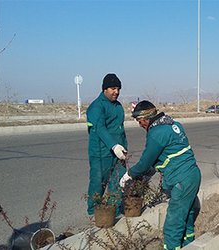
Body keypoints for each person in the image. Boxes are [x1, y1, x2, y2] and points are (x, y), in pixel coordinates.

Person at [119, 100, 201, 250]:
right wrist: (148, 173)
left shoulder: (156, 133)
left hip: (181, 180)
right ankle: (189, 245)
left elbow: (145, 162)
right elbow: (167, 155)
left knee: (172, 226)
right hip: (193, 175)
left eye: (140, 120)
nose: (140, 124)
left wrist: (129, 175)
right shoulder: (173, 125)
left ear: (147, 118)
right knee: (187, 215)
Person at [86, 73, 127, 216]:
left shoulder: (118, 106)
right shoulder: (96, 107)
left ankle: (113, 211)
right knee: (99, 182)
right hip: (101, 152)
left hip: (119, 151)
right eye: (113, 88)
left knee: (118, 181)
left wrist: (123, 147)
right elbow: (100, 128)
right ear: (104, 89)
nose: (116, 92)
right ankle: (93, 211)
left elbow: (120, 129)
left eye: (118, 88)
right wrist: (113, 146)